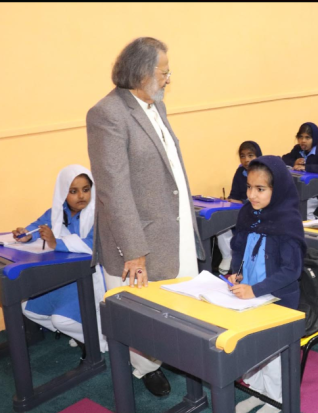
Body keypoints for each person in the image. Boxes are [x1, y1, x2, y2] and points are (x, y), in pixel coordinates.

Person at [86, 37, 204, 397]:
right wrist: (134, 251)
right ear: (141, 73)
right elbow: (114, 190)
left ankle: (171, 361)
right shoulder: (107, 114)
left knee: (179, 309)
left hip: (173, 232)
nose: (169, 78)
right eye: (164, 72)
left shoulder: (156, 105)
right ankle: (144, 368)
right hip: (140, 243)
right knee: (144, 321)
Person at [226, 156, 306, 413]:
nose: (252, 194)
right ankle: (258, 392)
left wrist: (255, 290)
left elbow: (291, 271)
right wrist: (236, 273)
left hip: (278, 298)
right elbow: (239, 248)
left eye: (260, 189)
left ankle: (276, 399)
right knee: (252, 348)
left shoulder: (287, 220)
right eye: (249, 187)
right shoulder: (248, 213)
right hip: (250, 294)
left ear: (277, 188)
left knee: (273, 355)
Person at [15, 165, 108, 358]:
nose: (81, 196)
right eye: (73, 191)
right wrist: (26, 234)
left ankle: (95, 342)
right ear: (63, 192)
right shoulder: (57, 212)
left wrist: (56, 242)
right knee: (29, 309)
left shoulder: (99, 215)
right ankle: (81, 336)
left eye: (85, 189)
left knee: (61, 320)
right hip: (63, 277)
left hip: (89, 276)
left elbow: (94, 245)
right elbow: (36, 227)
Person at [216, 140, 263, 275]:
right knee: (220, 223)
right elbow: (234, 194)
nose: (246, 159)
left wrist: (242, 202)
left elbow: (263, 197)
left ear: (258, 156)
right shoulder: (240, 172)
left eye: (250, 155)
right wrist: (228, 200)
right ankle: (227, 256)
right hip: (240, 209)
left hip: (257, 211)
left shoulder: (263, 173)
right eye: (243, 156)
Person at [281, 122, 318, 219]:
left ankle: (313, 227)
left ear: (315, 139)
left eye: (307, 138)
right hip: (300, 188)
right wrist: (294, 162)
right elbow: (284, 158)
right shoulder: (297, 149)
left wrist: (306, 167)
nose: (303, 141)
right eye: (300, 137)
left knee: (305, 210)